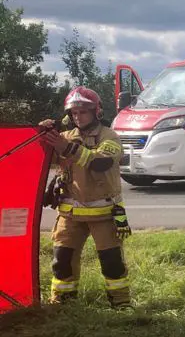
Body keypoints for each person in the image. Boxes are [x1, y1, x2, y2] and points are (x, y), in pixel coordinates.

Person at [39, 87, 132, 308]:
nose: (78, 117)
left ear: (96, 112)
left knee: (112, 262)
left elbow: (101, 162)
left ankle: (121, 304)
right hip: (70, 215)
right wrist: (42, 134)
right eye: (74, 113)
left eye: (83, 112)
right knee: (62, 261)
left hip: (105, 215)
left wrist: (67, 148)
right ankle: (62, 304)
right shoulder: (65, 137)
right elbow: (41, 157)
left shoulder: (109, 136)